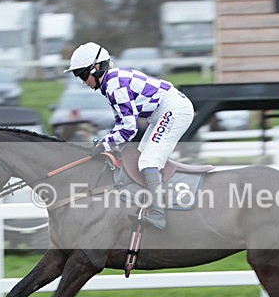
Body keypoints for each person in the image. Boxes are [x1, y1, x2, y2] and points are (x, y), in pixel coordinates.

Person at [64, 42, 195, 230]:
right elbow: (121, 124)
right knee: (140, 161)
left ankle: (159, 214)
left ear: (97, 68)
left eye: (83, 74)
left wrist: (104, 144)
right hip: (163, 112)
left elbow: (129, 128)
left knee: (148, 162)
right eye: (79, 76)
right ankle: (150, 202)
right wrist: (106, 143)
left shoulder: (114, 84)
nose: (83, 81)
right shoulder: (110, 83)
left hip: (174, 110)